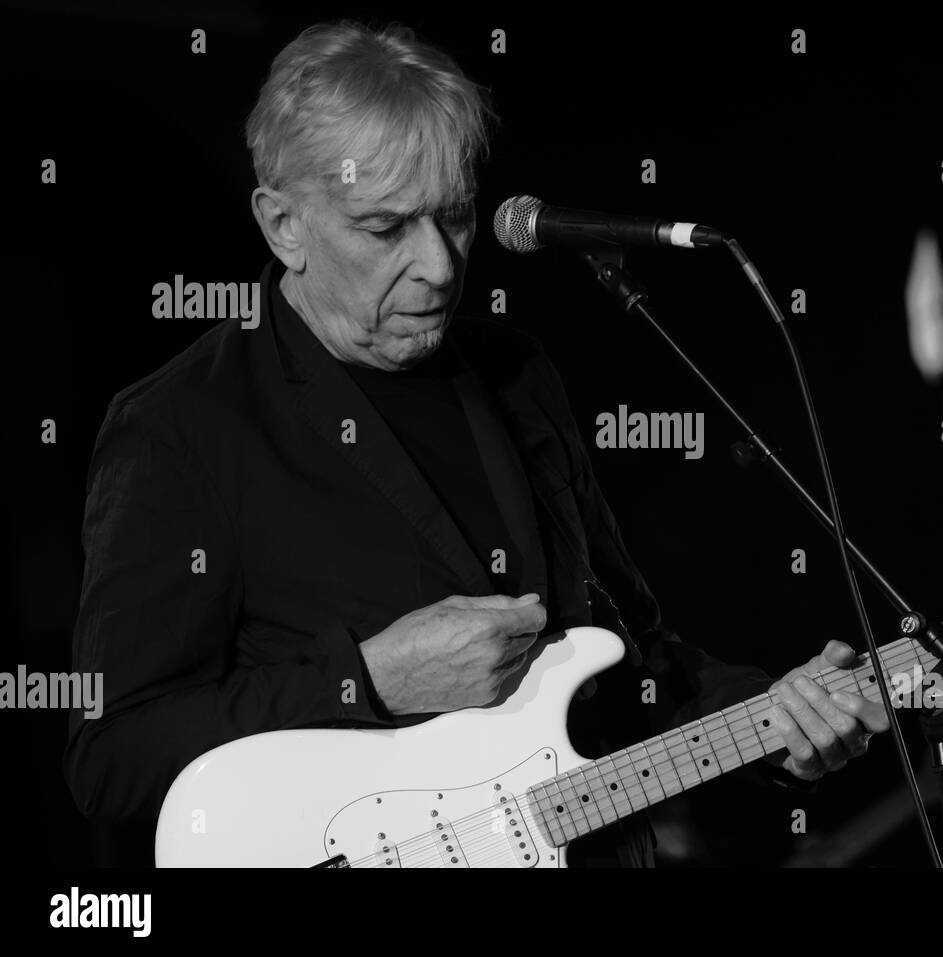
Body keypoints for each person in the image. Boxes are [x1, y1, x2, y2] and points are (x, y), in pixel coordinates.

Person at [64, 20, 888, 867]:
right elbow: (113, 756)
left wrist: (775, 724)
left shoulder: (515, 375)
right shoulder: (181, 426)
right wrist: (371, 677)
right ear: (283, 226)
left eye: (453, 218)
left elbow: (636, 660)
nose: (438, 265)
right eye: (386, 229)